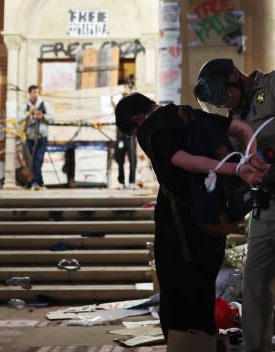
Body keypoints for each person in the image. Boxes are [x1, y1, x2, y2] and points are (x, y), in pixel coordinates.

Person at [114, 93, 267, 351]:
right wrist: (251, 160)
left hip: (180, 226)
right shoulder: (190, 113)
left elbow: (181, 159)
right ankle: (204, 341)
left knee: (176, 292)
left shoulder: (151, 128)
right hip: (214, 218)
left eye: (134, 132)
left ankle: (185, 345)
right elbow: (243, 129)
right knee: (203, 289)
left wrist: (235, 169)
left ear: (138, 119)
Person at [194, 58, 275, 352]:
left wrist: (270, 154)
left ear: (235, 77)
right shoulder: (236, 113)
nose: (227, 104)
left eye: (226, 96)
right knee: (254, 288)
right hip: (264, 205)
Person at [19, 85, 53, 190]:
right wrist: (29, 114)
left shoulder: (45, 105)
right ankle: (39, 182)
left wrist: (43, 116)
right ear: (30, 93)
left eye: (37, 92)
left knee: (39, 159)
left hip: (41, 137)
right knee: (32, 161)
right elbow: (18, 119)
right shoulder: (25, 106)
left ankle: (35, 182)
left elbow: (53, 118)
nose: (36, 94)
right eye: (34, 92)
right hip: (30, 137)